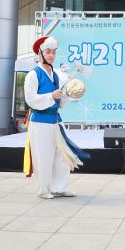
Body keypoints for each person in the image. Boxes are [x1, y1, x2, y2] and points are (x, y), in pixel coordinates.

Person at [24, 36, 89, 199]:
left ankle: (59, 187)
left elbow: (60, 102)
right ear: (40, 54)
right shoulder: (33, 75)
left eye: (53, 52)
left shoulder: (57, 75)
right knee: (43, 155)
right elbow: (30, 99)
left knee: (62, 156)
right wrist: (51, 96)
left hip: (55, 121)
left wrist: (68, 93)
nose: (51, 55)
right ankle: (43, 189)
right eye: (48, 52)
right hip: (40, 121)